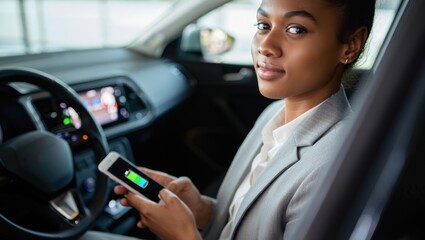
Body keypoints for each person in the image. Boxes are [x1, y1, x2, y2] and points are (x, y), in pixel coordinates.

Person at [83, 0, 376, 239]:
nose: (266, 46)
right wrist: (203, 211)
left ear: (351, 45)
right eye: (263, 25)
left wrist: (183, 237)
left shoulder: (336, 165)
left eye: (296, 29)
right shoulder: (272, 115)